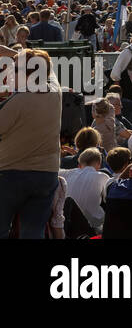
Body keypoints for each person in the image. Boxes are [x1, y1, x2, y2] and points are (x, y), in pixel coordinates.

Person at [0, 46, 63, 238]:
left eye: (15, 69)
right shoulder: (55, 91)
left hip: (10, 173)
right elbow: (48, 66)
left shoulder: (18, 101)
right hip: (46, 174)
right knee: (33, 232)